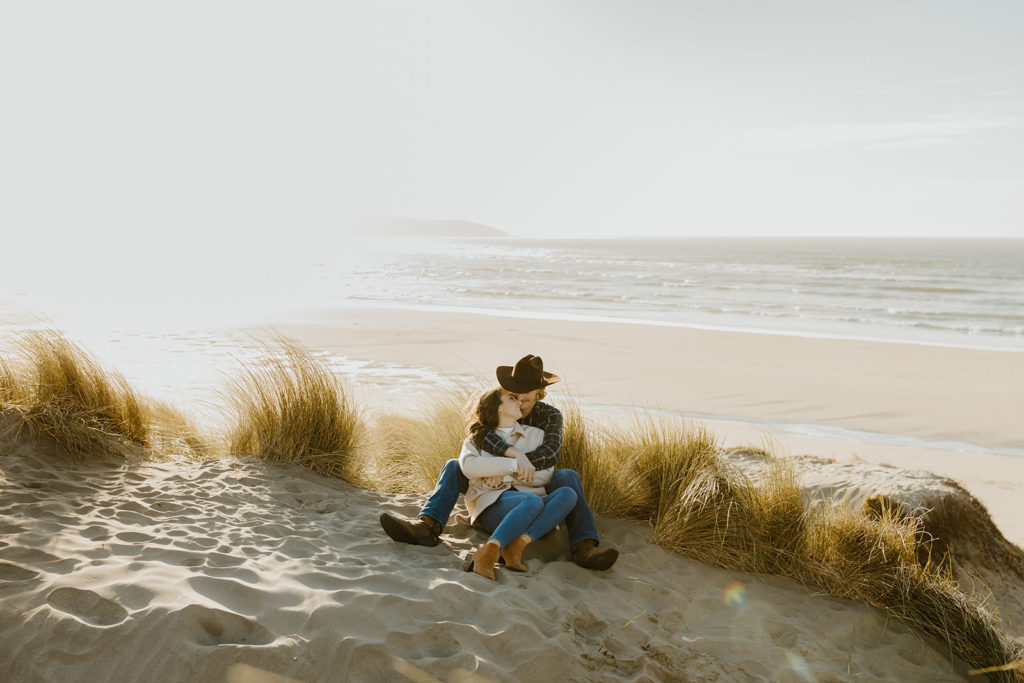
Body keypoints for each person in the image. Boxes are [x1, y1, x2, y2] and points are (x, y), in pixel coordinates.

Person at [379, 354, 619, 570]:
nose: (520, 401)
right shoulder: (501, 407)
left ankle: (583, 545)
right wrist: (513, 454)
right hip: (491, 478)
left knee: (568, 477)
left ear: (539, 392)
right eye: (515, 394)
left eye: (526, 396)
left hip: (529, 480)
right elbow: (481, 435)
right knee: (454, 465)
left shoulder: (549, 416)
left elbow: (549, 454)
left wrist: (508, 471)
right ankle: (427, 525)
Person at [460, 387, 578, 580]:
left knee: (567, 494)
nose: (519, 402)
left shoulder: (535, 435)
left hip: (530, 508)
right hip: (492, 506)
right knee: (532, 501)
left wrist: (503, 475)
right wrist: (515, 463)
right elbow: (469, 467)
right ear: (497, 407)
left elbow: (545, 474)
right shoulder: (478, 438)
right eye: (511, 397)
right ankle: (489, 550)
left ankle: (517, 545)